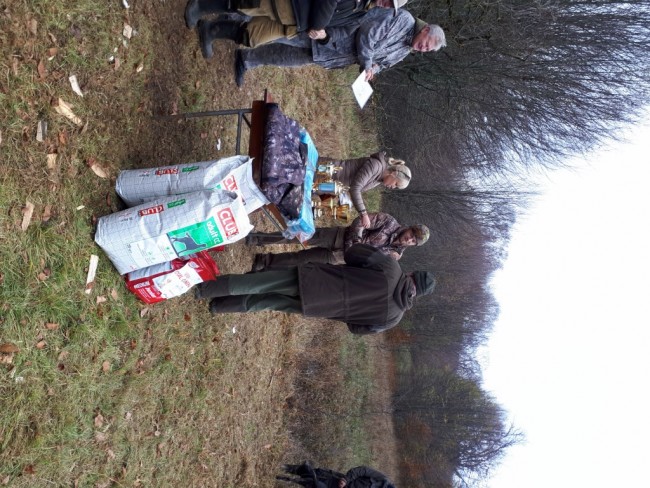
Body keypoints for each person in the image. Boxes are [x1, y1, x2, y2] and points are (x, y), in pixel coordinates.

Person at [194, 243, 435, 334]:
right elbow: (357, 328)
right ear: (418, 295)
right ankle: (218, 306)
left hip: (316, 280)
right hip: (319, 307)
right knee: (265, 302)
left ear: (412, 275)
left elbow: (353, 253)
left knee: (258, 284)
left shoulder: (392, 268)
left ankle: (205, 289)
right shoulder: (393, 319)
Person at [232, 9, 446, 86]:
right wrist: (367, 62)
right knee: (282, 32)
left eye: (426, 50)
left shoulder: (406, 49)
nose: (422, 49)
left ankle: (247, 59)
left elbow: (383, 64)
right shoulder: (404, 20)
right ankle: (234, 18)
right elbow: (368, 34)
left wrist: (372, 70)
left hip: (333, 55)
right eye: (426, 44)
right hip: (333, 35)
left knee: (286, 57)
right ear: (425, 30)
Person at [184, 0, 408, 56]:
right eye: (389, 0)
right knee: (245, 3)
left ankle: (211, 30)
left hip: (295, 26)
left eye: (391, 6)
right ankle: (200, 6)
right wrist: (319, 25)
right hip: (293, 4)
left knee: (252, 37)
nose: (386, 4)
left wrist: (324, 35)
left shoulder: (365, 11)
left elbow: (346, 30)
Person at [246, 212, 430, 270]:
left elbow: (371, 266)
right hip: (338, 237)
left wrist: (353, 259)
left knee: (300, 259)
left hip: (338, 258)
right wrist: (356, 241)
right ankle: (257, 238)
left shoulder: (395, 257)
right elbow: (360, 221)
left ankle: (264, 261)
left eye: (413, 241)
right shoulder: (389, 222)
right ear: (409, 228)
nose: (409, 239)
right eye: (412, 234)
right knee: (296, 236)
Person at [323, 151, 411, 228]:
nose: (393, 187)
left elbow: (351, 186)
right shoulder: (375, 165)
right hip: (325, 172)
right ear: (394, 174)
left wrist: (345, 199)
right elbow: (355, 188)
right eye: (396, 184)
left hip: (329, 184)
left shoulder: (378, 180)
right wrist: (364, 214)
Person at [277, 462, 396, 488]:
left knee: (311, 484)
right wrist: (346, 479)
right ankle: (286, 468)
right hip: (338, 481)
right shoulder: (382, 479)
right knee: (313, 473)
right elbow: (363, 470)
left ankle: (283, 480)